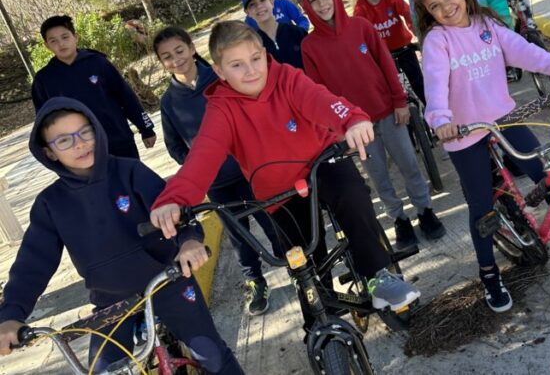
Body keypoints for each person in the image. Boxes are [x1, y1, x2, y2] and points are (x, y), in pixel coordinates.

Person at [148, 21, 420, 329]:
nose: (251, 70)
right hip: (277, 189)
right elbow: (202, 157)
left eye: (255, 59)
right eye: (236, 65)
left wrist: (353, 120)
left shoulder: (287, 78)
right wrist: (175, 199)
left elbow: (323, 101)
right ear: (220, 71)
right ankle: (320, 317)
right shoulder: (220, 108)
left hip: (322, 161)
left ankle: (377, 275)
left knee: (351, 195)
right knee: (304, 260)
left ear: (265, 54)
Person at [0, 99, 243, 373]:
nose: (80, 144)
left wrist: (188, 241)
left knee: (211, 355)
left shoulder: (130, 172)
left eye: (85, 132)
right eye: (64, 141)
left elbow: (173, 209)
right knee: (101, 370)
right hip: (111, 301)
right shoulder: (50, 204)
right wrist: (11, 315)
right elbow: (34, 263)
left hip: (167, 281)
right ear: (49, 152)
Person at [415, 0, 550, 312]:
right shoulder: (438, 40)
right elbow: (434, 83)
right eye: (435, 6)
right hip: (464, 132)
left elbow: (523, 51)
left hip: (502, 117)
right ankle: (490, 273)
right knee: (482, 207)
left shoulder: (486, 25)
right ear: (428, 13)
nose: (446, 8)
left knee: (541, 170)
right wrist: (441, 120)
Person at [301, 0, 446, 251]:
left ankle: (425, 210)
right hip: (355, 128)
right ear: (307, 6)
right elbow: (320, 94)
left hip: (388, 112)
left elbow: (387, 66)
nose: (322, 4)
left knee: (409, 164)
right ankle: (399, 219)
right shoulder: (310, 47)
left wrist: (400, 102)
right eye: (313, 0)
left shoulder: (361, 26)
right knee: (378, 175)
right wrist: (339, 129)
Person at [153, 26, 282, 315]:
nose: (176, 59)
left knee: (272, 220)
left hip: (251, 170)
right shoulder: (169, 102)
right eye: (167, 57)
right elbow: (174, 145)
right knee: (238, 235)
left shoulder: (221, 77)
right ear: (161, 63)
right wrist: (200, 167)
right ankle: (255, 281)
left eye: (179, 50)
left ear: (191, 46)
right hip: (217, 183)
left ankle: (295, 267)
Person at [31, 15, 156, 159]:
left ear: (75, 37)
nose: (61, 44)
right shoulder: (44, 80)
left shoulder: (98, 63)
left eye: (65, 37)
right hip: (79, 151)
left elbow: (126, 96)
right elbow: (44, 121)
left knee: (132, 179)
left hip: (118, 140)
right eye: (54, 41)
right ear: (47, 46)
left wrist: (146, 128)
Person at [350, 0, 425, 104]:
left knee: (419, 84)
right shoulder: (360, 10)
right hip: (382, 56)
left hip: (404, 48)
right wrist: (365, 56)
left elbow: (409, 15)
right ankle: (407, 122)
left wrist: (418, 34)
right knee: (393, 91)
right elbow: (359, 37)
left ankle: (434, 118)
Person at [241, 0, 307, 69]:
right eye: (252, 5)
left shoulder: (296, 32)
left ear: (271, 2)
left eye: (262, 0)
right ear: (247, 12)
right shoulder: (255, 46)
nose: (259, 6)